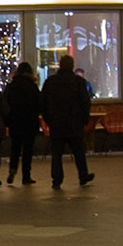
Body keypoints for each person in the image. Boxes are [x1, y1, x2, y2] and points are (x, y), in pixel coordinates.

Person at [40, 54, 94, 189]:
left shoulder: (50, 82)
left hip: (57, 123)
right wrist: (84, 119)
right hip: (75, 122)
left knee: (57, 154)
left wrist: (48, 119)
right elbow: (85, 102)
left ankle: (56, 179)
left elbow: (43, 103)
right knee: (79, 151)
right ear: (72, 66)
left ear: (60, 65)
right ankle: (83, 175)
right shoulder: (78, 82)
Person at [3, 61, 42, 185]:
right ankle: (26, 176)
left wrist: (7, 121)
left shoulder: (11, 86)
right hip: (30, 122)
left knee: (15, 148)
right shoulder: (32, 86)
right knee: (27, 150)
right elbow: (39, 104)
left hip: (15, 122)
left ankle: (12, 169)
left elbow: (5, 104)